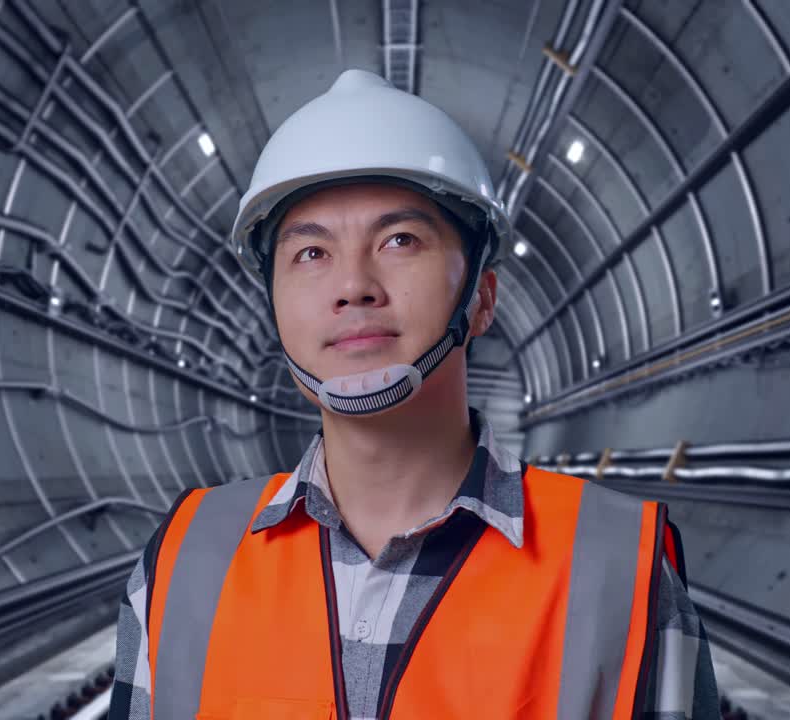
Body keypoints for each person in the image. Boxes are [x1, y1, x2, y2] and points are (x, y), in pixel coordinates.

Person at [110, 69, 720, 720]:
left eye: (400, 240)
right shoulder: (183, 559)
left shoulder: (619, 569)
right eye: (310, 253)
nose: (353, 285)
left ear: (481, 299)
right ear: (274, 306)